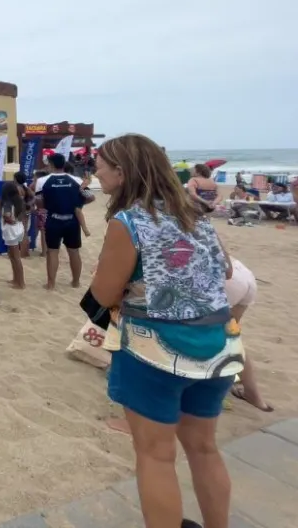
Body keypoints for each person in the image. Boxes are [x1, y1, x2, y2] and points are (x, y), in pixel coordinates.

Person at [90, 134, 240, 528]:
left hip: (157, 347)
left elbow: (103, 293)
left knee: (156, 456)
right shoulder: (193, 212)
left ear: (121, 173)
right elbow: (224, 270)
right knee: (204, 449)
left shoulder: (129, 221)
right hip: (217, 341)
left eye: (100, 165)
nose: (95, 172)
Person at [224, 257, 272, 412]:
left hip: (226, 279)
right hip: (243, 275)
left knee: (223, 338)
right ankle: (254, 396)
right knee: (231, 338)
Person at [36, 153, 90, 290]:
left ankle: (51, 284)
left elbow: (39, 201)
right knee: (74, 251)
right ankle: (76, 282)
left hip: (53, 219)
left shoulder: (42, 181)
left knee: (52, 252)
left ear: (51, 164)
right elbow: (91, 197)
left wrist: (45, 205)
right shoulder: (76, 180)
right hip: (71, 220)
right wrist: (78, 205)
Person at [0, 180, 26, 289]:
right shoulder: (19, 200)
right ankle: (16, 279)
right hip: (18, 228)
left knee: (15, 257)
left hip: (11, 230)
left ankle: (20, 282)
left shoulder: (7, 202)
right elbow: (24, 213)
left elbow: (7, 215)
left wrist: (9, 220)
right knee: (13, 256)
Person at [13, 171, 35, 258]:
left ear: (16, 179)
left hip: (20, 212)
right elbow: (34, 196)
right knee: (24, 232)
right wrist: (29, 204)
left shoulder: (18, 189)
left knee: (21, 233)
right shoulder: (25, 187)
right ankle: (25, 252)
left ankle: (23, 253)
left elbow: (19, 202)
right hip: (25, 211)